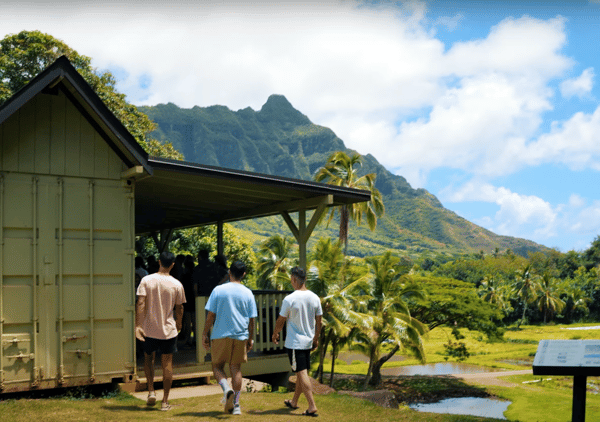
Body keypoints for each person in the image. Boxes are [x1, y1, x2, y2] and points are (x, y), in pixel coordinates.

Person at [202, 261, 257, 416]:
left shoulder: (219, 290)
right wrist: (250, 338)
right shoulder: (248, 293)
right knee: (236, 369)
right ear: (244, 274)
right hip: (240, 335)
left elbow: (210, 315)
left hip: (220, 334)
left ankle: (226, 389)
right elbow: (252, 320)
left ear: (229, 272)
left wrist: (204, 333)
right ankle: (237, 405)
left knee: (217, 367)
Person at [135, 251, 186, 411]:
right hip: (168, 330)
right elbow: (180, 307)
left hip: (149, 329)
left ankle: (151, 391)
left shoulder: (146, 280)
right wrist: (179, 323)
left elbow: (140, 303)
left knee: (148, 359)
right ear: (172, 265)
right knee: (167, 364)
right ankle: (165, 401)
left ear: (158, 262)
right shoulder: (177, 284)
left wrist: (138, 325)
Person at [272, 266, 322, 417]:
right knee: (301, 372)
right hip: (307, 342)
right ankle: (294, 402)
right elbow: (319, 322)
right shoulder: (315, 297)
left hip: (295, 343)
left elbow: (281, 320)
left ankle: (312, 406)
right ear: (305, 279)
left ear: (294, 279)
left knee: (301, 373)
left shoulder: (290, 299)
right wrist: (315, 339)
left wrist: (275, 333)